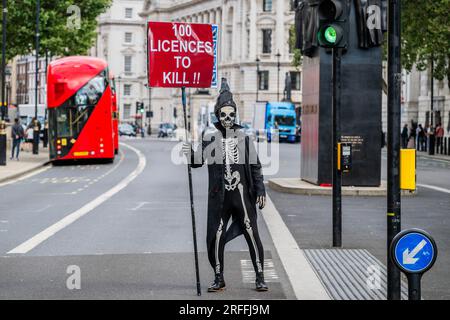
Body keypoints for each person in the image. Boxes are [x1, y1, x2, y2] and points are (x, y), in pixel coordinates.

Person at [182, 78, 268, 292]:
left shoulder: (244, 139)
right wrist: (189, 152)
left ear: (235, 115)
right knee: (217, 235)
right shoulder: (210, 139)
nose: (228, 118)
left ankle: (260, 276)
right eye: (223, 114)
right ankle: (218, 277)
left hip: (241, 195)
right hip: (219, 196)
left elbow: (255, 167)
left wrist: (260, 190)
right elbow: (197, 162)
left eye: (231, 114)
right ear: (218, 116)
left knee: (251, 232)